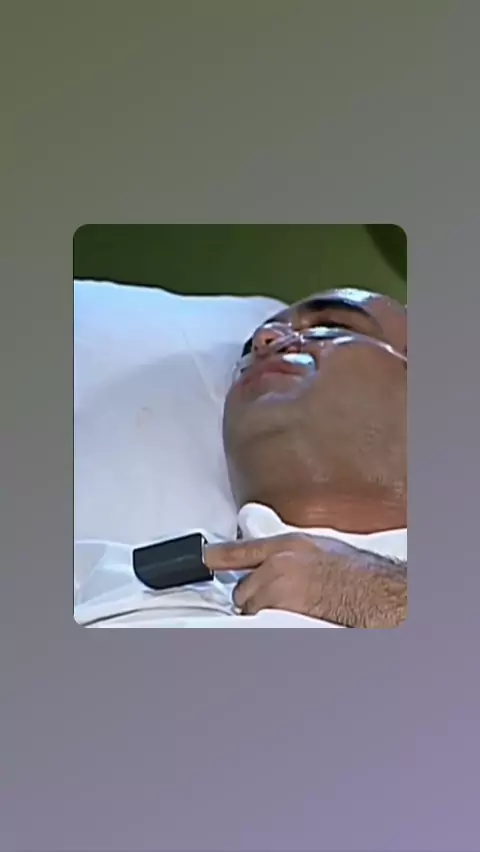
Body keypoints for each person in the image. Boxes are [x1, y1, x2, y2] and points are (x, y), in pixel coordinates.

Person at [75, 287, 407, 629]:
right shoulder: (105, 579)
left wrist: (382, 595)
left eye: (329, 325)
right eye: (250, 347)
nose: (265, 338)